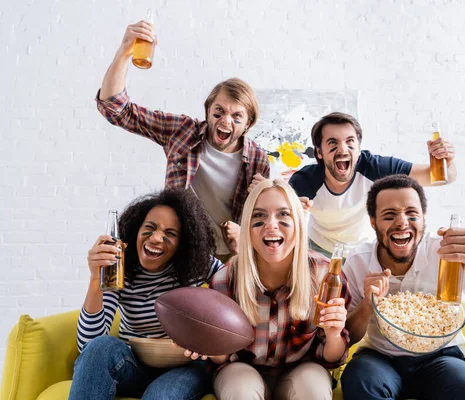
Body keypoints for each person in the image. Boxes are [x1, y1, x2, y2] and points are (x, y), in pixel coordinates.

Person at [340, 175, 465, 400]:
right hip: (379, 358)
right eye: (389, 215)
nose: (402, 223)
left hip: (441, 358)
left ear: (423, 220)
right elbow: (345, 337)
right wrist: (367, 306)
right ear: (373, 222)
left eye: (412, 214)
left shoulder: (445, 254)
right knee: (360, 383)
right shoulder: (358, 261)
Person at [96, 21, 269, 261]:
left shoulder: (258, 159)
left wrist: (265, 197)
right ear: (208, 111)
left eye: (236, 116)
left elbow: (265, 220)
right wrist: (124, 52)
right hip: (182, 251)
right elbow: (116, 109)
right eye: (218, 112)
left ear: (248, 123)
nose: (225, 121)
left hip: (231, 256)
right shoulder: (182, 132)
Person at [185, 178, 351, 400]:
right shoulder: (226, 279)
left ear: (299, 223)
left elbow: (331, 359)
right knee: (239, 389)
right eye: (259, 216)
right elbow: (222, 358)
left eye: (283, 214)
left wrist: (333, 335)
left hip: (301, 370)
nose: (271, 224)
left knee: (313, 388)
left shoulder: (326, 276)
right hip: (243, 370)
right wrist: (206, 342)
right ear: (248, 228)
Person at [69, 189, 222, 400]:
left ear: (183, 243)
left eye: (170, 234)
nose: (157, 238)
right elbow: (88, 343)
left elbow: (239, 286)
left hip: (184, 366)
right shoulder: (121, 267)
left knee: (161, 396)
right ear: (136, 230)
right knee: (100, 348)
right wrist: (96, 278)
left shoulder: (197, 265)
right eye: (149, 228)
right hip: (134, 364)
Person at [288, 112, 457, 258]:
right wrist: (294, 213)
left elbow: (440, 178)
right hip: (319, 250)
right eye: (333, 143)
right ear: (319, 151)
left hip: (364, 251)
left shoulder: (375, 168)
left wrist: (447, 163)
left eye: (350, 141)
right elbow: (284, 220)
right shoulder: (305, 180)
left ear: (359, 147)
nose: (343, 150)